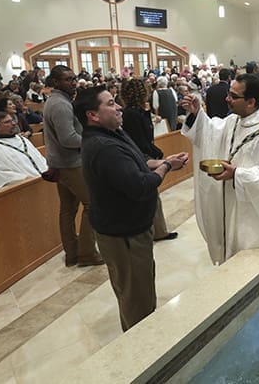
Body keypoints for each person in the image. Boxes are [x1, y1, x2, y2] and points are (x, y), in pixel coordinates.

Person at [75, 86, 188, 331]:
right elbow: (140, 185)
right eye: (111, 103)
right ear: (92, 115)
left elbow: (138, 163)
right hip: (123, 235)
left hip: (131, 229)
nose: (118, 107)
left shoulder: (113, 133)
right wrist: (166, 168)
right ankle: (141, 356)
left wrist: (162, 161)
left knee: (139, 292)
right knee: (138, 302)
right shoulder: (104, 147)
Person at [181, 73, 259, 264]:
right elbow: (211, 132)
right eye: (229, 93)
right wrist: (197, 114)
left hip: (254, 216)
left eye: (233, 96)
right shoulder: (234, 121)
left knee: (249, 263)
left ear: (251, 102)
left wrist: (237, 174)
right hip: (231, 204)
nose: (227, 99)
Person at [43, 65, 103, 267]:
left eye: (73, 78)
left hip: (60, 163)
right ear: (55, 82)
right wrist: (91, 139)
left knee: (68, 210)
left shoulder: (58, 101)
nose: (73, 82)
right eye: (67, 79)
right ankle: (86, 253)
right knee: (92, 203)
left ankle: (72, 253)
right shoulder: (60, 104)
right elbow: (68, 139)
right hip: (69, 163)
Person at [120, 78, 178, 241]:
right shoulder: (133, 114)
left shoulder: (135, 112)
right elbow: (141, 141)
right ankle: (157, 231)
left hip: (140, 155)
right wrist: (157, 153)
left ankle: (157, 230)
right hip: (141, 158)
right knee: (150, 194)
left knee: (151, 195)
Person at [0, 112, 48, 191]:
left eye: (12, 120)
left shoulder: (23, 140)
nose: (13, 123)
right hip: (25, 189)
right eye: (7, 122)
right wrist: (25, 179)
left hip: (44, 182)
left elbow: (39, 159)